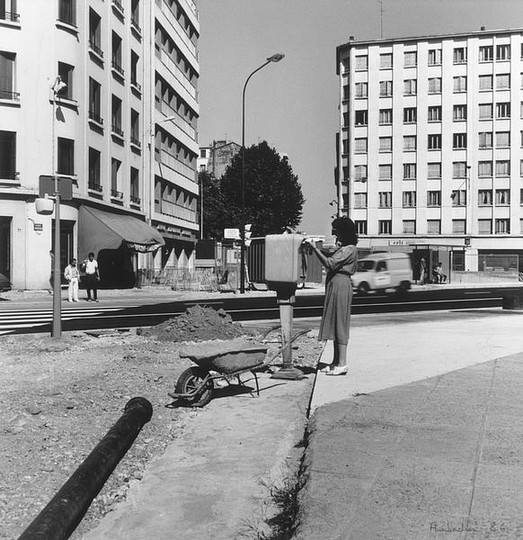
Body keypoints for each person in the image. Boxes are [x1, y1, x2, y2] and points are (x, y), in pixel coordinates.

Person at [304, 217, 358, 376]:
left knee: (340, 322)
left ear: (344, 232)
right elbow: (332, 255)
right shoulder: (344, 248)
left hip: (340, 285)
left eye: (337, 232)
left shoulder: (349, 249)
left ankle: (342, 363)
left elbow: (330, 263)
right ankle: (336, 362)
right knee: (335, 322)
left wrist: (314, 248)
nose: (335, 235)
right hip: (335, 285)